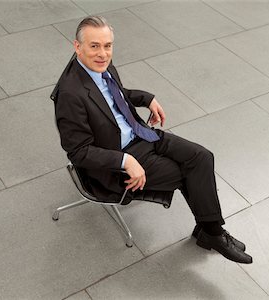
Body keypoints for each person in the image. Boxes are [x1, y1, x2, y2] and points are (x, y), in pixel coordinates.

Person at [54, 16, 252, 264]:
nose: (103, 53)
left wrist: (146, 98)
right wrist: (125, 160)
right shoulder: (70, 94)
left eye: (108, 45)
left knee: (202, 157)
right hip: (115, 161)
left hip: (139, 133)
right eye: (94, 46)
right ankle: (213, 233)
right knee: (186, 174)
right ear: (77, 46)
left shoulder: (101, 65)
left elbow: (115, 95)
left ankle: (209, 231)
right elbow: (78, 152)